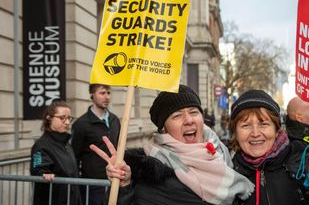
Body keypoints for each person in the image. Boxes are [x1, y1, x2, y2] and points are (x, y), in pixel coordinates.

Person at [90, 84, 254, 204]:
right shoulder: (148, 172)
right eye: (177, 116)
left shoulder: (226, 154)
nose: (189, 120)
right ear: (164, 129)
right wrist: (123, 186)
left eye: (193, 112)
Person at [229, 89, 309, 205]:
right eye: (245, 125)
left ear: (276, 129)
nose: (255, 133)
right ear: (235, 132)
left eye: (264, 124)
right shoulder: (225, 167)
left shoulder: (304, 159)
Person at [71, 84, 121, 205]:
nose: (107, 97)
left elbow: (119, 148)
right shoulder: (81, 124)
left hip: (115, 180)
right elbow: (75, 155)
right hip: (93, 184)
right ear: (92, 95)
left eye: (108, 93)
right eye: (102, 93)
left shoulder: (115, 120)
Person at [30, 100, 82, 205]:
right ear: (49, 118)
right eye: (62, 118)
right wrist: (44, 174)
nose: (67, 122)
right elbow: (38, 169)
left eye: (69, 118)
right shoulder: (41, 145)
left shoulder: (66, 144)